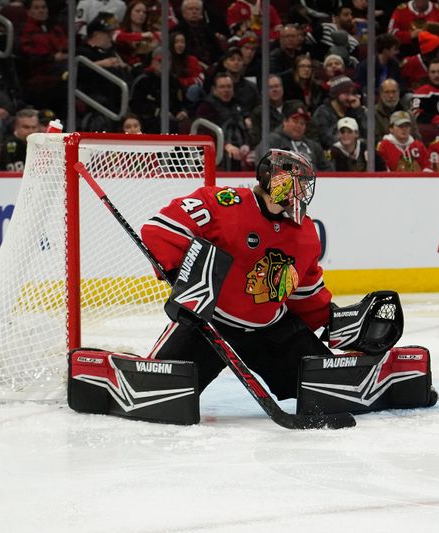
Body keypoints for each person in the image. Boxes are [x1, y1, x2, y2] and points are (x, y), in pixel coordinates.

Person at [140, 149, 333, 400]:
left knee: (325, 389)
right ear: (268, 178)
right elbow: (159, 229)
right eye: (294, 181)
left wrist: (328, 318)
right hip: (211, 325)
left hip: (271, 331)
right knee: (159, 395)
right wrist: (183, 275)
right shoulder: (223, 203)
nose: (300, 190)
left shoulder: (304, 231)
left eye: (303, 184)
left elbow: (306, 289)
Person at [266, 100, 332, 171]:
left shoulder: (313, 146)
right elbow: (265, 165)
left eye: (302, 123)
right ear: (285, 121)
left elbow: (329, 171)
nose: (299, 126)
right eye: (295, 121)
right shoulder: (273, 141)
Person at [311, 75, 367, 150]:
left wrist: (359, 111)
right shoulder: (322, 113)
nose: (351, 97)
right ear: (335, 94)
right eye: (346, 93)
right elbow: (330, 141)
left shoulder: (353, 110)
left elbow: (368, 136)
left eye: (352, 92)